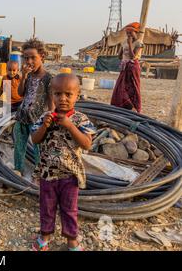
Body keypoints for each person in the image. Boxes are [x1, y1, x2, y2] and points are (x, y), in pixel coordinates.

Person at [31, 74, 96, 252]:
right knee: (47, 207)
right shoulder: (45, 117)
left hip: (70, 175)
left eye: (68, 94)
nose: (63, 99)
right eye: (58, 94)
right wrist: (45, 126)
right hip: (47, 174)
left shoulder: (80, 119)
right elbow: (35, 140)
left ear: (77, 94)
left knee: (69, 210)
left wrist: (70, 126)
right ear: (52, 94)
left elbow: (87, 144)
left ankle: (72, 240)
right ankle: (44, 236)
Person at [14, 39, 54, 179]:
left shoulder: (48, 78)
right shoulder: (28, 75)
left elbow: (51, 100)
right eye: (26, 58)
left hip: (38, 119)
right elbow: (20, 93)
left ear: (42, 56)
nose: (29, 61)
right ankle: (17, 169)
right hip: (22, 115)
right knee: (19, 145)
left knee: (39, 148)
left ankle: (39, 173)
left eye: (33, 57)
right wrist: (23, 76)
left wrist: (51, 119)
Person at [111, 22, 144, 113]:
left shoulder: (139, 43)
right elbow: (119, 56)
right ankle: (124, 106)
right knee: (121, 87)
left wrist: (129, 44)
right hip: (125, 67)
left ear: (136, 33)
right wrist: (122, 54)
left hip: (133, 67)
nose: (129, 35)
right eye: (127, 33)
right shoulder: (124, 42)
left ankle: (133, 106)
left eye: (131, 33)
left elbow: (133, 56)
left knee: (133, 87)